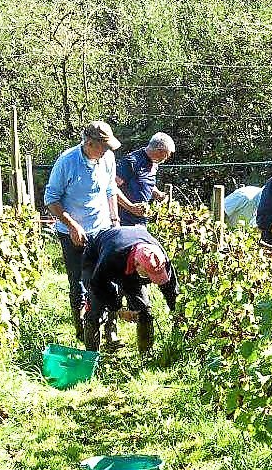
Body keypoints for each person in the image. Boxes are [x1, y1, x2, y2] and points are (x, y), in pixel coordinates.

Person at [44, 121, 147, 346]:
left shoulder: (107, 159)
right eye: (104, 146)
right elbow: (51, 199)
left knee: (109, 278)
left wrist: (116, 219)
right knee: (79, 281)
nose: (107, 152)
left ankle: (110, 330)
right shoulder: (67, 162)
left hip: (102, 229)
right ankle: (84, 330)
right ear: (89, 143)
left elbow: (110, 190)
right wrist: (72, 225)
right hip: (72, 233)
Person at [81, 226, 178, 353]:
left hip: (128, 260)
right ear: (137, 265)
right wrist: (119, 309)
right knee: (95, 310)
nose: (151, 279)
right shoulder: (111, 256)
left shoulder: (159, 256)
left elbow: (170, 287)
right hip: (96, 257)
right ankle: (91, 358)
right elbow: (98, 285)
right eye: (148, 275)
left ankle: (145, 356)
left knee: (144, 311)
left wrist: (177, 312)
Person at [115, 132, 175, 226]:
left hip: (141, 221)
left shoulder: (154, 164)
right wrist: (130, 207)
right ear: (159, 150)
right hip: (125, 221)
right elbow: (112, 188)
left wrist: (157, 193)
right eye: (167, 154)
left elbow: (144, 183)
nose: (167, 158)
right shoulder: (131, 162)